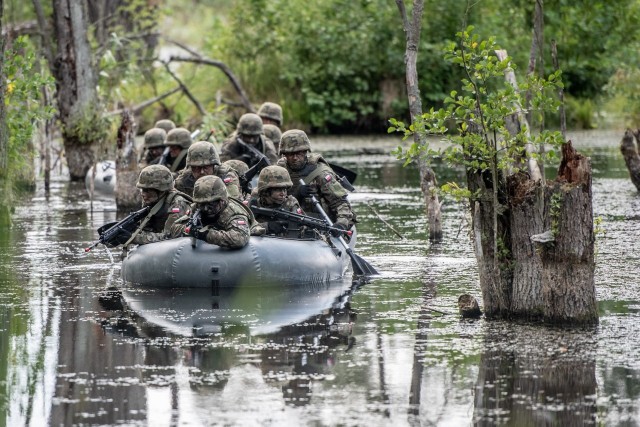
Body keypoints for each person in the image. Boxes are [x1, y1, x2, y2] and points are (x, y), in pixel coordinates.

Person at [277, 129, 355, 232]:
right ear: (284, 154)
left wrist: (340, 225)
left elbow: (341, 203)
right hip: (289, 222)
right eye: (290, 154)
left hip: (320, 223)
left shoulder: (321, 174)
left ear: (305, 151)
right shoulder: (279, 171)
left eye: (298, 153)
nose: (295, 158)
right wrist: (297, 193)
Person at [170, 175, 255, 249]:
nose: (206, 209)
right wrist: (189, 230)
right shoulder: (197, 208)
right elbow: (174, 228)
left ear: (222, 200)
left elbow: (239, 239)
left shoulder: (234, 212)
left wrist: (205, 234)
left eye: (211, 204)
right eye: (202, 204)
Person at [121, 165, 190, 247]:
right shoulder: (152, 201)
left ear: (161, 190)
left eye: (147, 190)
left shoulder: (178, 203)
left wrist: (134, 238)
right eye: (142, 190)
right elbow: (147, 229)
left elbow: (169, 236)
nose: (143, 194)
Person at [174, 141, 242, 200]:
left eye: (206, 167)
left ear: (214, 165)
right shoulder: (184, 180)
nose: (202, 172)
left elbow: (233, 201)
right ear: (191, 167)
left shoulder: (226, 176)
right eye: (197, 168)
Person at [250, 165, 304, 237]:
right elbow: (242, 229)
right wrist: (267, 227)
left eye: (284, 189)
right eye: (278, 189)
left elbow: (302, 226)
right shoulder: (253, 204)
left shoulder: (290, 203)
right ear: (266, 191)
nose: (283, 194)